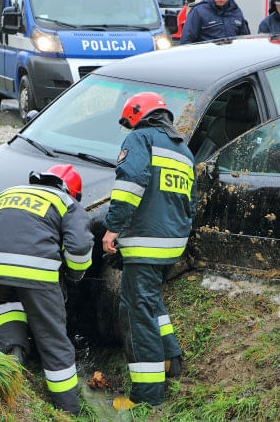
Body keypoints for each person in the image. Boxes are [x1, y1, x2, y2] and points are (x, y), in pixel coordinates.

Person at [0, 164, 93, 415]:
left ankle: (13, 355)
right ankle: (68, 411)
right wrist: (73, 274)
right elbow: (80, 248)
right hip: (36, 268)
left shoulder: (9, 192)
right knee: (53, 339)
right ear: (70, 190)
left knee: (6, 304)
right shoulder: (66, 202)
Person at [102, 92, 196, 409]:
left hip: (144, 243)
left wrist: (113, 228)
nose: (129, 128)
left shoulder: (141, 139)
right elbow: (189, 203)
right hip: (171, 246)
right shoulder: (183, 150)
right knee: (151, 300)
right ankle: (172, 360)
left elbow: (131, 181)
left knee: (136, 315)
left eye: (130, 122)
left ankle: (146, 397)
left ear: (139, 116)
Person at [180, 0, 250, 44]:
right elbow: (186, 42)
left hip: (231, 55)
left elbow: (244, 41)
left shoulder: (236, 12)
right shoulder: (198, 11)